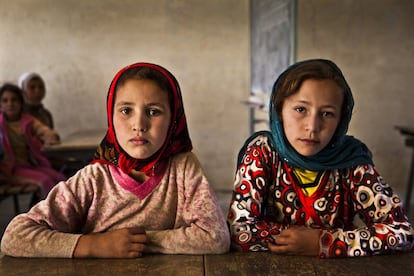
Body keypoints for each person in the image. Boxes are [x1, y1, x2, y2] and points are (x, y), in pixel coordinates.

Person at [1, 62, 230, 258]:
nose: (138, 124)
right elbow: (15, 236)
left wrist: (136, 242)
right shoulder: (94, 179)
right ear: (110, 116)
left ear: (174, 121)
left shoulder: (183, 167)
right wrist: (93, 245)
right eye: (126, 110)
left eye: (153, 111)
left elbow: (215, 237)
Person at [227, 59, 414, 258]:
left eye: (327, 113)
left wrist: (322, 242)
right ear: (279, 110)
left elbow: (403, 233)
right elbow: (238, 231)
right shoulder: (263, 153)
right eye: (300, 109)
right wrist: (302, 242)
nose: (313, 126)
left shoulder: (351, 162)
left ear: (341, 119)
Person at [0, 83, 66, 198]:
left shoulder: (28, 121)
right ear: (0, 105)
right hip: (9, 170)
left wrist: (50, 137)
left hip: (31, 165)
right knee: (45, 182)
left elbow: (44, 130)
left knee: (61, 179)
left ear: (21, 103)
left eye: (14, 100)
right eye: (5, 101)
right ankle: (49, 214)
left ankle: (69, 211)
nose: (10, 104)